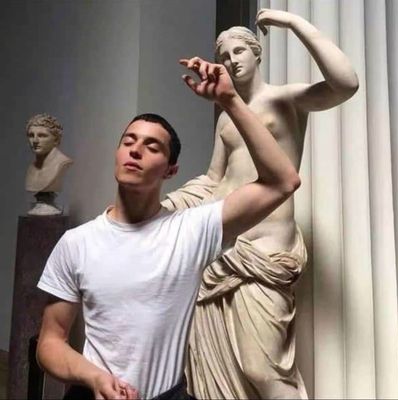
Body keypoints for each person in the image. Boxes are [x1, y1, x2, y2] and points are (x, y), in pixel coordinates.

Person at [35, 56, 301, 400]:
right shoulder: (77, 242)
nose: (135, 151)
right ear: (117, 153)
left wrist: (230, 100)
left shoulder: (193, 229)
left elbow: (283, 181)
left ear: (171, 170)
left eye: (152, 146)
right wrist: (94, 377)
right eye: (128, 141)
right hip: (90, 392)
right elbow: (50, 342)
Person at [162, 9, 359, 400]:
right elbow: (214, 180)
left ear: (257, 53)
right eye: (224, 56)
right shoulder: (226, 119)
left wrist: (294, 23)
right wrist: (165, 207)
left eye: (239, 51)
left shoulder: (284, 100)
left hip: (265, 253)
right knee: (216, 372)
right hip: (220, 253)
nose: (232, 60)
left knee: (262, 369)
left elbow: (345, 84)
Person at [25, 113, 73, 215]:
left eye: (42, 135)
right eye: (31, 135)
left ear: (56, 140)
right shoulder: (32, 167)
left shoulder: (61, 163)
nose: (35, 141)